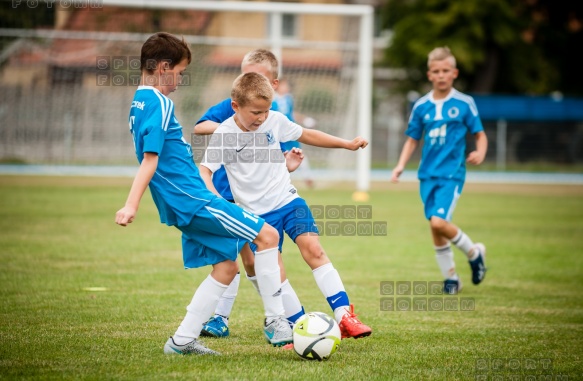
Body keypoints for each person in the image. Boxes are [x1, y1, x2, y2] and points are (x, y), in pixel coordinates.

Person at [114, 32, 293, 355]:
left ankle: (182, 341)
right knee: (267, 236)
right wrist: (130, 205)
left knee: (226, 267)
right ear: (164, 67)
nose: (180, 81)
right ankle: (277, 320)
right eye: (180, 73)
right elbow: (150, 160)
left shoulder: (137, 102)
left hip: (181, 202)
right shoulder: (159, 101)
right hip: (194, 200)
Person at [200, 71, 373, 340]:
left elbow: (307, 134)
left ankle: (344, 316)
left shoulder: (274, 120)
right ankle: (300, 327)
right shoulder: (225, 134)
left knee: (314, 249)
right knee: (276, 272)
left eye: (266, 111)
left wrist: (346, 144)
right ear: (235, 106)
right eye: (256, 112)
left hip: (288, 200)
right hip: (256, 217)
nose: (261, 118)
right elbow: (205, 172)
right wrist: (220, 204)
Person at [194, 49, 306, 340]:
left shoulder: (273, 114)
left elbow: (275, 154)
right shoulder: (235, 106)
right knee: (233, 255)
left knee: (255, 258)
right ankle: (221, 318)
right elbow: (200, 127)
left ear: (274, 83)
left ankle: (286, 318)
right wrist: (234, 133)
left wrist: (285, 162)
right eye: (246, 74)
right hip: (225, 191)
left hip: (258, 197)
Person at [390, 46, 488, 295]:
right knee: (435, 227)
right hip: (427, 175)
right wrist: (401, 164)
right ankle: (451, 279)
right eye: (436, 71)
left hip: (452, 174)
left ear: (454, 73)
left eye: (446, 70)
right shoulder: (422, 106)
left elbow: (480, 134)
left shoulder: (465, 103)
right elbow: (412, 139)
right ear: (429, 74)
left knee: (439, 221)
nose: (441, 75)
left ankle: (474, 253)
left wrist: (480, 152)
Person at [274, 78, 315, 188]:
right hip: (278, 133)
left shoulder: (289, 99)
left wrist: (304, 119)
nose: (286, 88)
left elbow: (291, 114)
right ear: (277, 85)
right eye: (284, 85)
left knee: (298, 152)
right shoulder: (272, 99)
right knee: (280, 155)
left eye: (287, 86)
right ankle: (281, 181)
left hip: (290, 131)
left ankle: (308, 178)